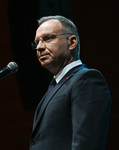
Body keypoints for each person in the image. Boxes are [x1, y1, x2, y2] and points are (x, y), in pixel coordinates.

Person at [29, 15, 111, 150]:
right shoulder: (55, 86)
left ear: (72, 42)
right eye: (37, 42)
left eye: (48, 38)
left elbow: (86, 144)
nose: (39, 47)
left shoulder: (86, 79)